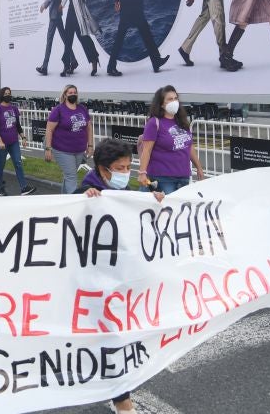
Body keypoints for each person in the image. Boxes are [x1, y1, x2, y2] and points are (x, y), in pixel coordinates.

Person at [77, 138, 163, 414]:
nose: (125, 173)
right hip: (94, 280)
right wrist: (84, 199)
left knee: (115, 335)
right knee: (110, 336)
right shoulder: (85, 191)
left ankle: (117, 393)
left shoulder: (125, 192)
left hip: (120, 278)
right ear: (103, 169)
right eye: (119, 168)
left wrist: (154, 202)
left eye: (128, 167)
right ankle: (122, 400)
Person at [137, 85, 205, 194]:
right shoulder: (154, 123)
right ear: (161, 104)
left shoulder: (182, 122)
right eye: (170, 99)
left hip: (183, 177)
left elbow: (189, 147)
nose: (174, 102)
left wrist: (199, 168)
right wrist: (142, 173)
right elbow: (147, 150)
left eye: (175, 98)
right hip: (162, 178)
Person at [45, 84, 93, 194]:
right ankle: (74, 201)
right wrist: (48, 148)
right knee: (71, 176)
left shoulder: (82, 109)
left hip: (79, 150)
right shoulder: (58, 110)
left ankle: (64, 199)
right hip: (62, 150)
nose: (73, 94)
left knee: (69, 175)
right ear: (65, 95)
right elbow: (49, 129)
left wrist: (90, 145)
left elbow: (89, 127)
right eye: (70, 93)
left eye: (75, 92)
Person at [0, 87, 36, 197]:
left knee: (18, 162)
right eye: (6, 94)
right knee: (1, 164)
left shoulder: (14, 108)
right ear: (2, 95)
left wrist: (23, 137)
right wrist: (0, 141)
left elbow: (17, 125)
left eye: (9, 93)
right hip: (1, 143)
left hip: (13, 141)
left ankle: (24, 187)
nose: (8, 95)